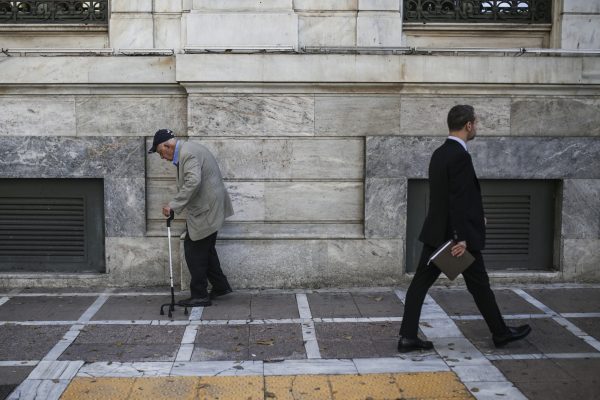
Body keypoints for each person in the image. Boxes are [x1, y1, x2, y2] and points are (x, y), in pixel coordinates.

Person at [397, 105, 531, 352]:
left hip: (438, 233)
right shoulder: (459, 156)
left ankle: (407, 337)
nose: (476, 127)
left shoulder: (440, 153)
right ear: (468, 124)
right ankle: (500, 333)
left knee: (423, 285)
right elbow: (457, 199)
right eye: (475, 123)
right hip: (455, 240)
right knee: (479, 285)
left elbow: (454, 197)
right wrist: (462, 237)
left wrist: (478, 218)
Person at [148, 129, 234, 307]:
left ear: (167, 145)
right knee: (206, 249)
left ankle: (200, 295)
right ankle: (220, 286)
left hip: (207, 209)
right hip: (210, 207)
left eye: (160, 152)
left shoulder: (187, 154)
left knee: (194, 250)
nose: (162, 158)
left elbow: (193, 181)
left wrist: (173, 205)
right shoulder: (189, 149)